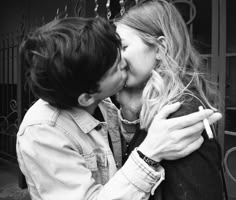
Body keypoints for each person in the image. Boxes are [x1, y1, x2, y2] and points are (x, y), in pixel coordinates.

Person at [16, 16, 222, 200]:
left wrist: (130, 112)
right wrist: (149, 153)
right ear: (86, 98)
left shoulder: (105, 104)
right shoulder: (42, 132)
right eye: (117, 67)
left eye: (121, 49)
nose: (125, 62)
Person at [115, 0, 227, 199]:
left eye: (123, 47)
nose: (116, 60)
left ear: (160, 48)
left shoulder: (179, 116)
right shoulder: (155, 105)